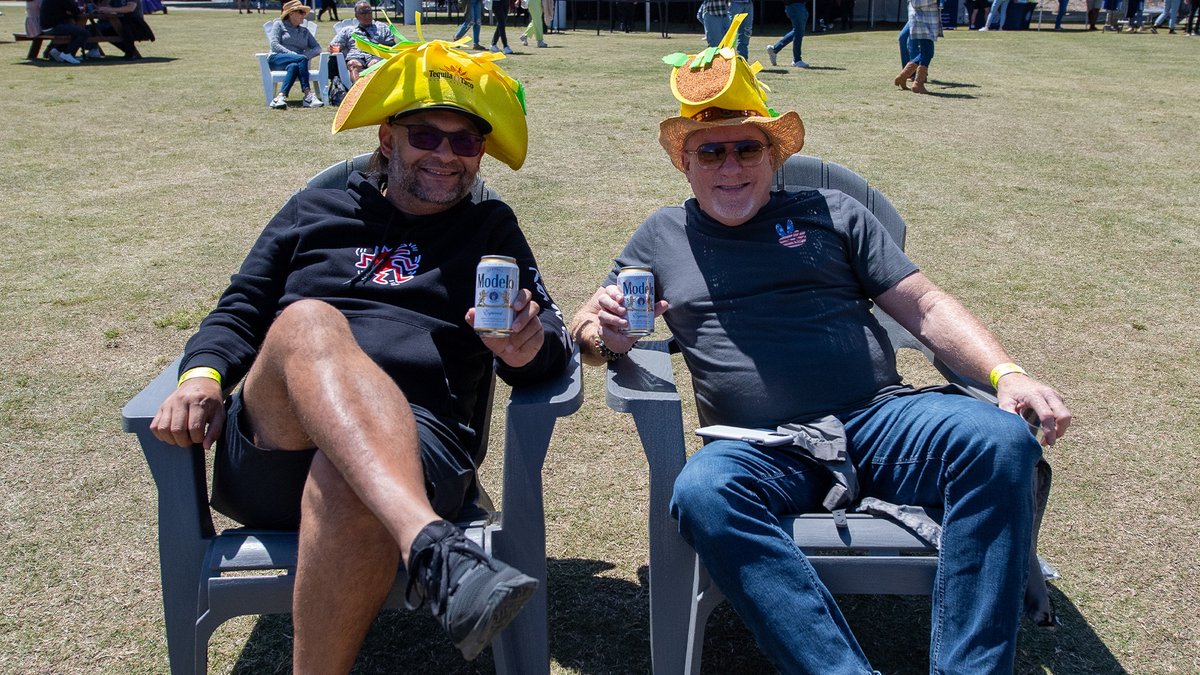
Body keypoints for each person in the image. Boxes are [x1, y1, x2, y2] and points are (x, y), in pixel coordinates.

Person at [569, 46, 1071, 674]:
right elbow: (589, 326)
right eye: (710, 151)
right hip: (758, 443)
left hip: (879, 419)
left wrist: (1007, 371)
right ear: (686, 165)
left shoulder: (831, 212)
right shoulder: (661, 236)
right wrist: (607, 336)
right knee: (703, 493)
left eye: (746, 149)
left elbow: (923, 305)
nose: (730, 166)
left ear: (773, 156)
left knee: (999, 441)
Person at [151, 36, 569, 670]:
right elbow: (240, 308)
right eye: (426, 135)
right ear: (387, 139)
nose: (447, 155)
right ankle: (431, 546)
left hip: (419, 443)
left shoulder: (490, 230)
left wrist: (525, 348)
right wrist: (203, 375)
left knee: (344, 472)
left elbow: (548, 356)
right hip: (277, 442)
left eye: (465, 140)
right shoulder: (315, 209)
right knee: (307, 321)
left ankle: (414, 550)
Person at [268, 0, 325, 109]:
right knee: (300, 59)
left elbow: (318, 48)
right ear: (291, 13)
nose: (304, 15)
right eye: (301, 12)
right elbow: (274, 44)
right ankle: (308, 95)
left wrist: (305, 56)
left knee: (294, 66)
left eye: (304, 12)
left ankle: (280, 97)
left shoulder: (304, 31)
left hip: (295, 62)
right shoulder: (279, 25)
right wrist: (294, 55)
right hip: (277, 59)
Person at [330, 1, 395, 83]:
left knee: (375, 64)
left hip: (376, 55)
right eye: (363, 13)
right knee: (353, 64)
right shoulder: (348, 30)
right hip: (356, 55)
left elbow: (391, 45)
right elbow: (333, 47)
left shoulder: (382, 28)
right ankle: (358, 92)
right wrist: (336, 49)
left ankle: (374, 92)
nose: (367, 15)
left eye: (369, 12)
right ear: (356, 15)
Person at [894, 0, 939, 94]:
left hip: (924, 20)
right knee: (927, 52)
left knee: (926, 52)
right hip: (923, 22)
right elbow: (916, 3)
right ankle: (918, 83)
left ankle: (903, 76)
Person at [765, 0, 810, 68]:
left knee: (797, 32)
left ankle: (774, 49)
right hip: (796, 5)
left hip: (796, 5)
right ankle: (797, 60)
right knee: (798, 33)